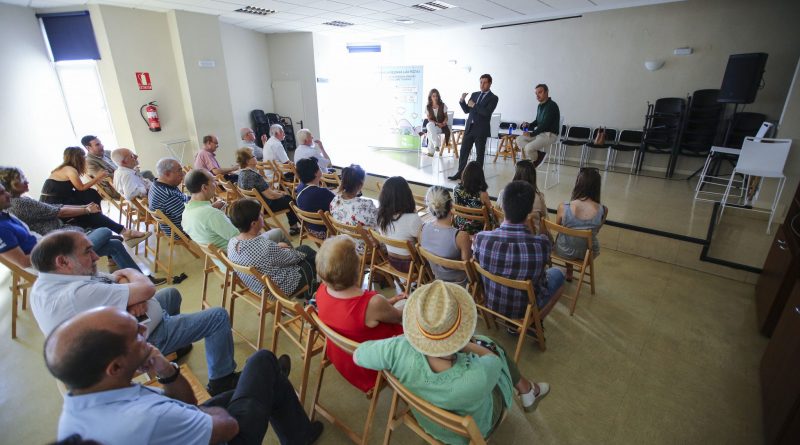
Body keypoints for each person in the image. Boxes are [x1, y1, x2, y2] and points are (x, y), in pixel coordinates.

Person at [45, 306, 324, 445]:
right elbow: (228, 427)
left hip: (185, 422)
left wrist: (166, 372)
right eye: (137, 334)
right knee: (263, 361)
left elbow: (186, 408)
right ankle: (295, 425)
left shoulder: (81, 404)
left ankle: (297, 429)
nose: (146, 332)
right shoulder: (143, 420)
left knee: (267, 379)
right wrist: (202, 415)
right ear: (115, 367)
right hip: (228, 435)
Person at [29, 230, 240, 395]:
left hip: (127, 326)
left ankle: (176, 347)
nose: (96, 256)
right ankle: (221, 380)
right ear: (63, 261)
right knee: (218, 317)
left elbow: (113, 278)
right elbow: (145, 287)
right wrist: (130, 277)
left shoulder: (49, 281)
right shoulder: (76, 294)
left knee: (170, 294)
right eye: (87, 251)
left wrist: (129, 295)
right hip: (135, 345)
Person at [354, 281, 549, 445]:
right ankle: (528, 390)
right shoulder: (476, 376)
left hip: (427, 421)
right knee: (494, 345)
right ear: (459, 335)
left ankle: (527, 389)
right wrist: (466, 346)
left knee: (488, 347)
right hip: (475, 430)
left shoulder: (396, 348)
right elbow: (493, 359)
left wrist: (400, 343)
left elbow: (359, 355)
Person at [0, 171, 165, 284]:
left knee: (113, 244)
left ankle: (141, 279)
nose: (27, 181)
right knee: (105, 231)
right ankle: (125, 235)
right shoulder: (18, 206)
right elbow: (23, 261)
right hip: (58, 257)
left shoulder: (9, 212)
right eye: (2, 192)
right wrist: (58, 254)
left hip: (59, 243)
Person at [314, 235, 405, 392]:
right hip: (373, 366)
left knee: (399, 302)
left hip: (346, 360)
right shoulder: (373, 303)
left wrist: (387, 302)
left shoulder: (321, 292)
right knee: (409, 303)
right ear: (356, 268)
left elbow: (364, 313)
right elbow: (400, 317)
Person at [474, 180, 565, 324]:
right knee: (559, 274)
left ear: (503, 206)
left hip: (492, 302)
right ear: (529, 211)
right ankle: (530, 321)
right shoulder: (541, 245)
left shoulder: (481, 239)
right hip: (524, 309)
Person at [40, 147, 150, 247]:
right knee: (92, 210)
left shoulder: (64, 168)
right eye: (83, 157)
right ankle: (124, 232)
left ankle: (116, 237)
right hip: (55, 205)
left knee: (92, 198)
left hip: (60, 200)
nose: (84, 159)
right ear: (77, 158)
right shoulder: (70, 169)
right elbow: (81, 187)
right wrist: (98, 177)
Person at [227, 198, 316, 300]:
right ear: (253, 224)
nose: (262, 216)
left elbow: (263, 257)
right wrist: (283, 249)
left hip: (259, 288)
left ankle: (304, 289)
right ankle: (311, 294)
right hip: (278, 290)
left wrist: (277, 248)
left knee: (302, 251)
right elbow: (294, 258)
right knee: (306, 254)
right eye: (260, 215)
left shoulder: (232, 243)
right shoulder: (265, 246)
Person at [182, 169, 287, 250]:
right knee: (278, 232)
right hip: (241, 255)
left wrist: (211, 208)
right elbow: (242, 238)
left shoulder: (186, 213)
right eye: (213, 181)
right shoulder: (211, 214)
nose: (216, 185)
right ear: (204, 188)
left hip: (224, 260)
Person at [555, 168, 607, 280]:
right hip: (586, 253)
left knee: (565, 236)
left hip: (563, 250)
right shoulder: (603, 210)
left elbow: (558, 227)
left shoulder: (564, 207)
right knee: (590, 241)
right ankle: (582, 265)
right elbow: (596, 230)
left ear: (578, 184)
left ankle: (569, 270)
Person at [235, 148, 300, 236]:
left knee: (285, 196)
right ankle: (295, 227)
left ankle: (294, 227)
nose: (256, 157)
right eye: (253, 156)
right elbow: (271, 196)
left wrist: (278, 193)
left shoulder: (241, 174)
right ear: (248, 161)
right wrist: (282, 194)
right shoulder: (254, 175)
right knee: (289, 199)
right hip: (264, 207)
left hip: (255, 206)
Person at [449, 74, 499, 180]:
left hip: (481, 130)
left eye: (485, 82)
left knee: (479, 155)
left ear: (490, 83)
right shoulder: (475, 94)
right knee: (463, 152)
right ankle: (460, 174)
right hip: (470, 128)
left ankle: (477, 178)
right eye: (481, 82)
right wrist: (462, 100)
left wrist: (474, 105)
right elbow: (467, 110)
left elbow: (486, 112)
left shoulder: (493, 98)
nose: (482, 85)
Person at [419, 186, 471, 285]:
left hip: (438, 280)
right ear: (451, 205)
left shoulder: (423, 229)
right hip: (459, 284)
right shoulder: (461, 236)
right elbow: (468, 267)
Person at [377, 176, 422, 274]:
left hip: (392, 262)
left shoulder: (381, 217)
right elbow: (423, 244)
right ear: (407, 195)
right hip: (412, 266)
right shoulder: (412, 219)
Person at [328, 164, 377, 253]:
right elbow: (379, 225)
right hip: (365, 249)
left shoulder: (335, 201)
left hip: (345, 245)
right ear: (360, 184)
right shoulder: (367, 204)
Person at [496, 159, 548, 234]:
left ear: (516, 174)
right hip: (531, 238)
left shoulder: (503, 193)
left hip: (505, 233)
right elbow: (545, 219)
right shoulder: (539, 198)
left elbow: (496, 212)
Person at [515, 84, 561, 167]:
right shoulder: (540, 106)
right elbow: (537, 121)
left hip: (550, 135)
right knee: (518, 139)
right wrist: (529, 125)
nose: (537, 95)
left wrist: (532, 134)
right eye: (536, 93)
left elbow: (545, 125)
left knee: (528, 148)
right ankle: (539, 155)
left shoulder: (552, 106)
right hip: (540, 133)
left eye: (540, 92)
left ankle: (535, 160)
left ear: (547, 92)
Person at [294, 158, 335, 240]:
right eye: (318, 167)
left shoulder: (300, 186)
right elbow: (338, 206)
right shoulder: (322, 192)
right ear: (316, 173)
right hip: (326, 232)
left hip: (311, 229)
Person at [149, 157, 189, 236]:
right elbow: (189, 216)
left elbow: (182, 199)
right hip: (182, 231)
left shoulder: (157, 183)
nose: (183, 173)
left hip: (177, 225)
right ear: (167, 174)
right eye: (179, 170)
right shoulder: (167, 195)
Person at [453, 161, 495, 235]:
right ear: (480, 176)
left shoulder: (456, 189)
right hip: (477, 227)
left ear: (464, 174)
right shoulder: (482, 194)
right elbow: (491, 212)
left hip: (459, 223)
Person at [82, 135, 119, 200]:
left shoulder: (108, 153)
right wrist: (126, 173)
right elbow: (107, 177)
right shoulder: (89, 162)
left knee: (143, 174)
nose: (102, 146)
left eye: (100, 143)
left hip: (128, 179)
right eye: (97, 145)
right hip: (116, 187)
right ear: (88, 148)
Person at [423, 88, 452, 157]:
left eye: (436, 96)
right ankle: (436, 144)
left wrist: (444, 122)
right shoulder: (428, 107)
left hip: (442, 127)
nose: (435, 97)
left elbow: (446, 117)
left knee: (430, 131)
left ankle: (431, 151)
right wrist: (437, 123)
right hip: (434, 126)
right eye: (433, 96)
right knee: (429, 125)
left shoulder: (443, 105)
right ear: (430, 97)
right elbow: (429, 119)